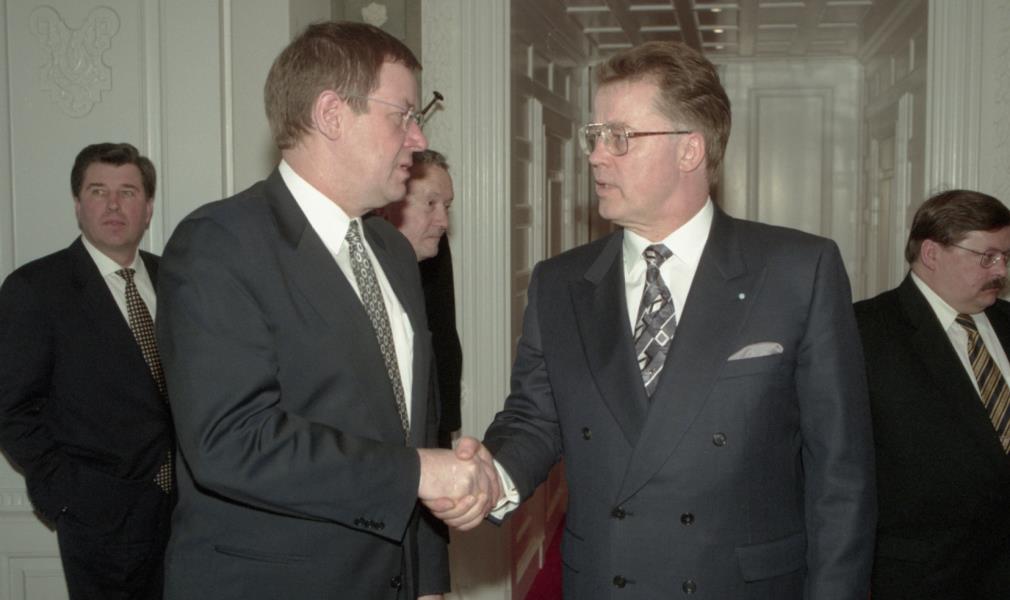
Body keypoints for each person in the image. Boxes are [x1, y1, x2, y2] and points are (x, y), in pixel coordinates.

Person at [435, 40, 877, 598]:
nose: (596, 155)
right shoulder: (560, 283)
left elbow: (841, 473)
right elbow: (535, 419)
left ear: (689, 150)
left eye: (619, 136)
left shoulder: (797, 270)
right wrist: (489, 476)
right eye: (595, 136)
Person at [155, 22, 496, 600]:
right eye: (404, 115)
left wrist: (429, 580)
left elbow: (414, 425)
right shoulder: (218, 244)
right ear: (332, 114)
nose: (417, 139)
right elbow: (232, 440)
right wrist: (420, 472)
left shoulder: (391, 250)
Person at [0, 142, 174, 599]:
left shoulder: (177, 280)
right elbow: (12, 410)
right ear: (78, 205)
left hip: (188, 520)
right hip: (100, 522)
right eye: (98, 191)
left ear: (148, 208)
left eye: (128, 192)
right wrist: (70, 495)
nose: (114, 205)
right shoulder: (36, 289)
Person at [854, 189, 1010, 600]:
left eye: (1006, 257)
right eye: (987, 257)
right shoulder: (864, 331)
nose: (1000, 270)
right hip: (924, 578)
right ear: (931, 253)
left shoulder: (1007, 322)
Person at [378, 150, 462, 447]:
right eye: (430, 204)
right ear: (389, 205)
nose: (443, 221)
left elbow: (444, 336)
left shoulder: (434, 249)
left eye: (447, 206)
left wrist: (446, 428)